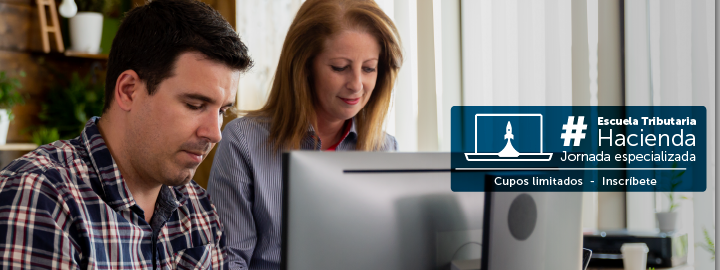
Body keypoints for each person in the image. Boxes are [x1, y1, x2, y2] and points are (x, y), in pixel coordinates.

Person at [0, 0, 252, 268]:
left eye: (222, 110)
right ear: (129, 90)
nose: (215, 133)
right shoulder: (40, 195)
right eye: (194, 105)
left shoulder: (198, 207)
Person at [207, 0, 403, 268]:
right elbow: (229, 262)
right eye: (339, 67)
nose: (357, 84)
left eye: (369, 68)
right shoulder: (244, 142)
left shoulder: (386, 149)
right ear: (305, 66)